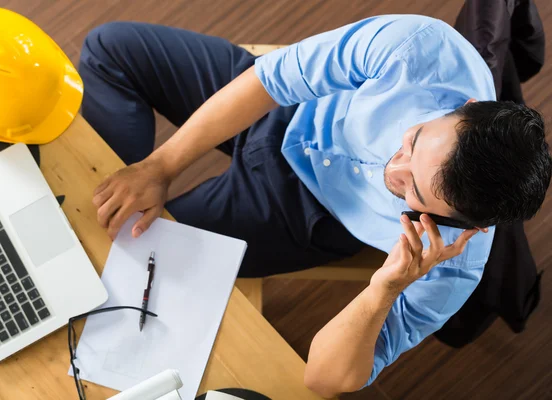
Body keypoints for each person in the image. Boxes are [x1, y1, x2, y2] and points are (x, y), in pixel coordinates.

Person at [79, 14, 551, 397]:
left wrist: (384, 288)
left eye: (411, 192)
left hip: (297, 213)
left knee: (133, 263)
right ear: (465, 106)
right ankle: (110, 187)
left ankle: (104, 211)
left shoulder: (453, 264)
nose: (393, 167)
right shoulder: (420, 48)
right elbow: (269, 81)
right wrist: (159, 167)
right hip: (287, 110)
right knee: (109, 48)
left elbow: (324, 379)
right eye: (414, 141)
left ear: (466, 228)